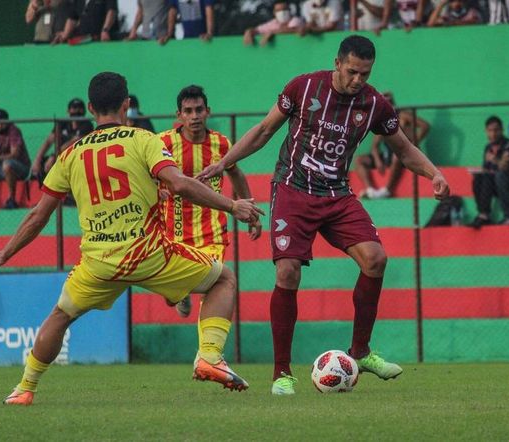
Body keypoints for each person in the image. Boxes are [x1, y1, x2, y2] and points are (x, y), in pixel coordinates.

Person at [0, 72, 264, 405]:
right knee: (224, 278)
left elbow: (38, 215)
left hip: (98, 263)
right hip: (150, 254)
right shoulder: (143, 140)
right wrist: (232, 205)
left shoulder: (70, 154)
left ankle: (25, 389)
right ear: (126, 104)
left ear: (89, 108)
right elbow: (180, 183)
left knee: (60, 317)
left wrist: (4, 254)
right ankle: (209, 356)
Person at [198, 35, 450, 395]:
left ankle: (360, 352)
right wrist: (225, 162)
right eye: (352, 72)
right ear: (337, 63)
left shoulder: (374, 104)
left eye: (365, 73)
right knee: (288, 271)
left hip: (336, 194)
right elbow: (264, 130)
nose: (358, 80)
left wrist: (434, 173)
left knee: (376, 259)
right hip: (292, 190)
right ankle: (282, 373)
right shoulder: (304, 87)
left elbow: (404, 149)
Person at [158, 85, 262, 318]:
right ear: (179, 115)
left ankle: (208, 350)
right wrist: (156, 191)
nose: (194, 116)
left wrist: (251, 212)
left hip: (212, 230)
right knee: (170, 289)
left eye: (199, 110)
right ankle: (178, 291)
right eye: (188, 111)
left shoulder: (221, 143)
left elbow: (235, 173)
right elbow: (145, 174)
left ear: (208, 112)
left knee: (216, 285)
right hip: (173, 231)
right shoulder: (162, 143)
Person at [355, 91, 430, 199]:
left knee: (397, 155)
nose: (387, 104)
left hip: (403, 155)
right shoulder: (381, 119)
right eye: (384, 102)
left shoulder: (403, 116)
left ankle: (388, 190)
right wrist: (377, 160)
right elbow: (375, 146)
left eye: (389, 102)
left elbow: (425, 126)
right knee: (359, 160)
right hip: (387, 155)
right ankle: (370, 190)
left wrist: (414, 143)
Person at [31, 98, 94, 183]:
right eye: (74, 108)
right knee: (43, 165)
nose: (77, 111)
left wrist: (54, 156)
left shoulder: (87, 125)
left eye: (80, 108)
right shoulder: (62, 123)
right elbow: (49, 141)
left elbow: (74, 142)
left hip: (78, 158)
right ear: (68, 111)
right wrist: (37, 160)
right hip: (60, 156)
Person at [468, 116, 509, 228]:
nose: (493, 134)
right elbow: (486, 168)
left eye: (496, 130)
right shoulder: (488, 147)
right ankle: (482, 213)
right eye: (490, 131)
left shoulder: (508, 145)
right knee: (477, 179)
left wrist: (494, 160)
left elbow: (506, 167)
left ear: (501, 130)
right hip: (490, 183)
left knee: (487, 178)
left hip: (505, 183)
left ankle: (484, 214)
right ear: (486, 131)